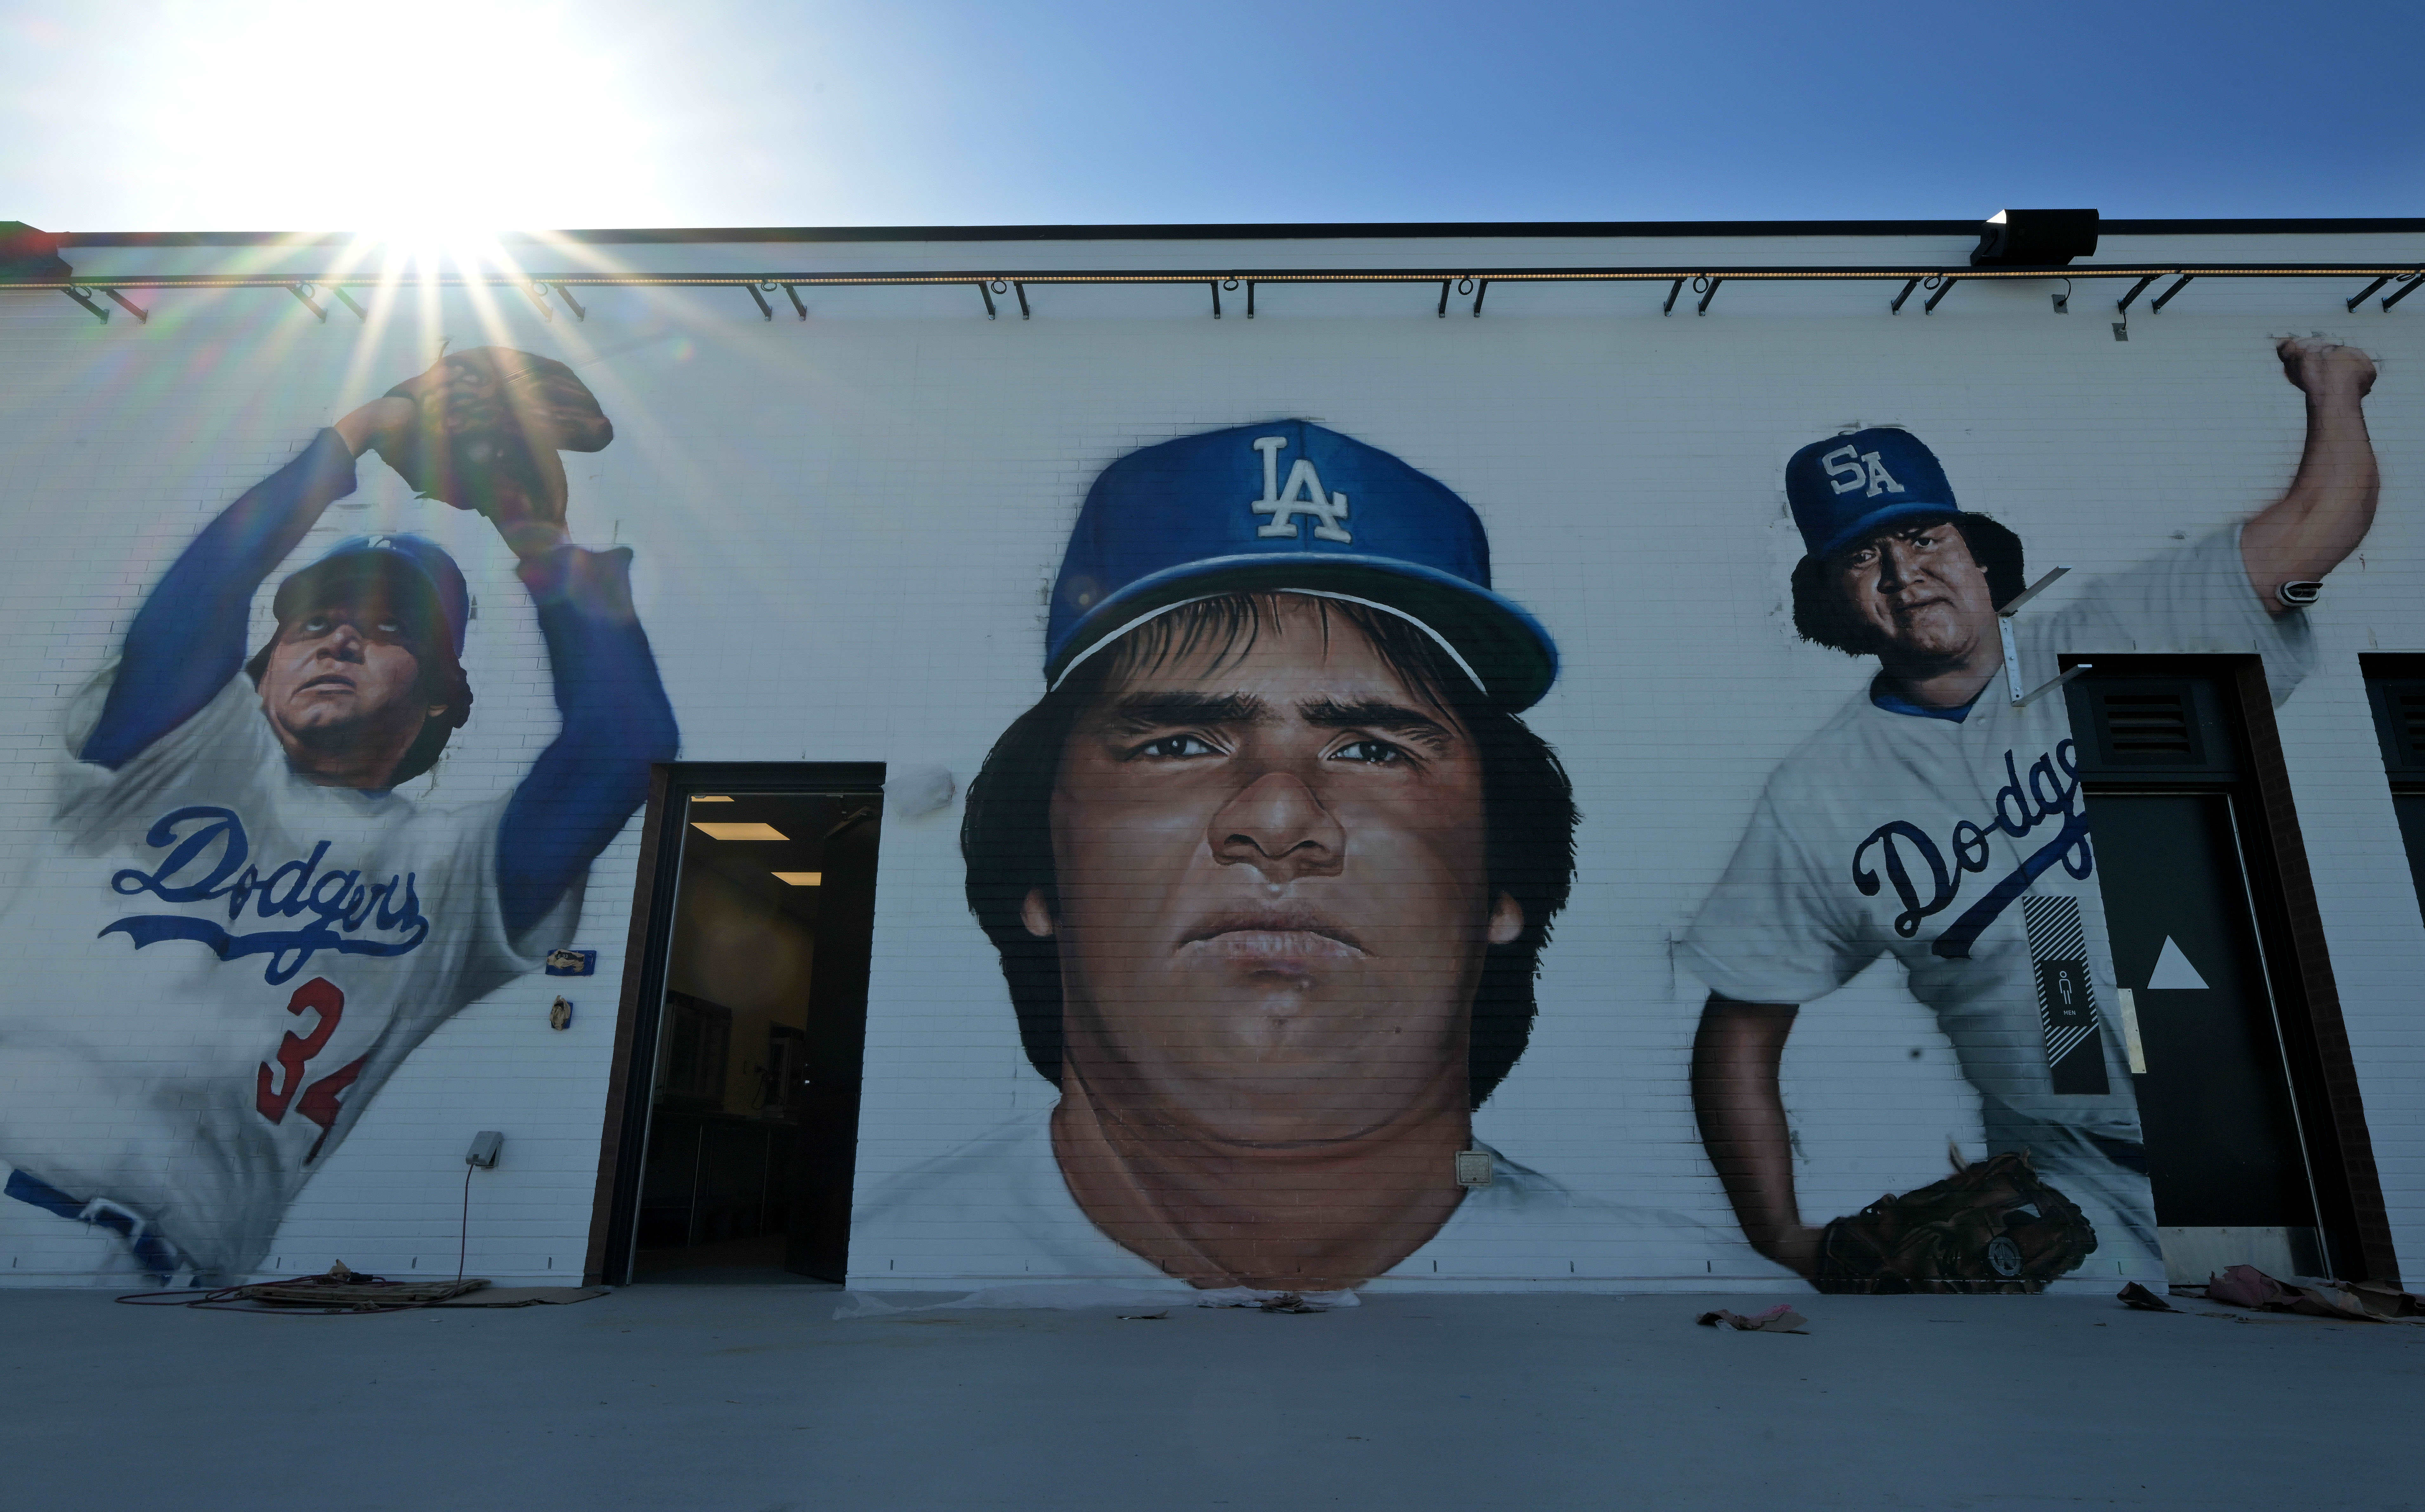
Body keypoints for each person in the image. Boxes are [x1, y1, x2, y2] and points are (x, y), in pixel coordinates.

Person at [860, 419, 1738, 1297]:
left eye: (1370, 750)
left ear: (1501, 884)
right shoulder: (896, 1283)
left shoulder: (1667, 1293)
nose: (1279, 819)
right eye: (1177, 744)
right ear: (1040, 874)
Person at [1680, 337, 2379, 1288]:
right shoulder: (1820, 793)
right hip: (2071, 1188)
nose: (1903, 573)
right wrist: (1781, 1236)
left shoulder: (2118, 634)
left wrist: (2335, 389)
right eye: (1862, 557)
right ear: (1832, 601)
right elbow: (1738, 1031)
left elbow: (2318, 526)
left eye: (1925, 537)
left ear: (1978, 554)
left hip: (2273, 1139)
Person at [0, 348, 679, 1284]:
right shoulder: (164, 755)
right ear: (267, 657)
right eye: (312, 621)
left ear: (444, 697)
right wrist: (360, 433)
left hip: (160, 1274)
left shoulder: (452, 874)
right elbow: (194, 602)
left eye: (393, 628)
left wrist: (541, 537)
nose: (342, 636)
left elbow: (620, 749)